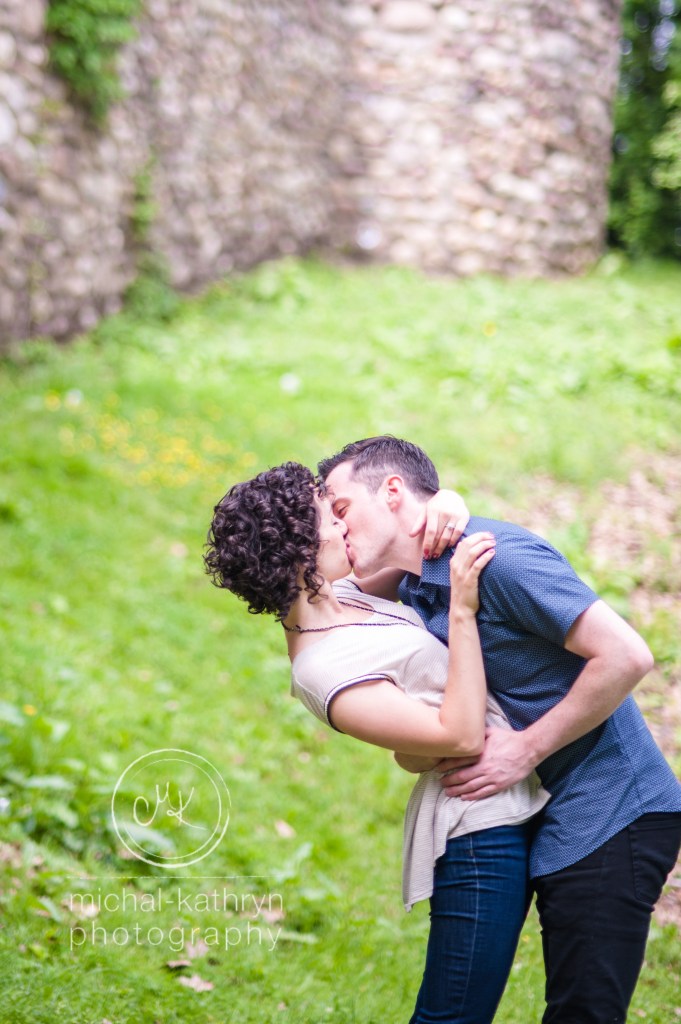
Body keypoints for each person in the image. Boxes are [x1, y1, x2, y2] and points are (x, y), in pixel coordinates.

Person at [318, 435, 681, 1024]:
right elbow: (321, 596)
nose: (336, 529)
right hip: (547, 810)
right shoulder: (413, 579)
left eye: (340, 510)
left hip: (617, 809)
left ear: (391, 493)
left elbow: (627, 656)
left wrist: (525, 749)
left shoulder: (499, 559)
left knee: (584, 1014)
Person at [205, 462, 549, 1024]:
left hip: (516, 795)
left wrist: (444, 503)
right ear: (297, 550)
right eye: (331, 518)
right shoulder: (321, 670)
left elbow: (406, 544)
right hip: (476, 831)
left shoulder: (344, 595)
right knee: (452, 1016)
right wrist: (461, 610)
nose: (345, 525)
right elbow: (458, 736)